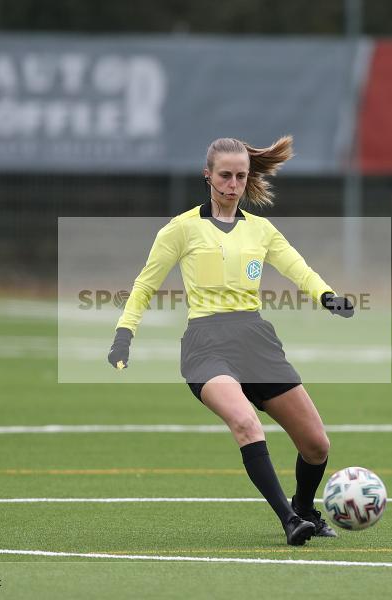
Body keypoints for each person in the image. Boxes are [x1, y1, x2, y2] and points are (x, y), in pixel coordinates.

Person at [107, 135, 354, 546]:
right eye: (224, 175)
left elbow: (298, 269)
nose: (233, 184)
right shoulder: (181, 229)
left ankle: (305, 508)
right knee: (245, 422)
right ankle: (290, 520)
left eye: (240, 176)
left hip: (256, 341)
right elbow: (145, 285)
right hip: (207, 344)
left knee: (316, 445)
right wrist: (123, 335)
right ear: (207, 175)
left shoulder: (261, 230)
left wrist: (328, 297)